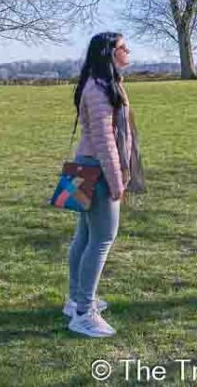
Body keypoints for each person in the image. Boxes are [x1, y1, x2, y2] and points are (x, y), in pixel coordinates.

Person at [65, 31, 133, 337]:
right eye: (123, 47)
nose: (128, 51)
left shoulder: (100, 83)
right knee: (102, 238)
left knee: (85, 236)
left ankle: (76, 300)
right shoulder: (99, 88)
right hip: (97, 169)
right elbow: (105, 140)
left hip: (86, 165)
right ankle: (83, 313)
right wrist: (117, 180)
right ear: (109, 53)